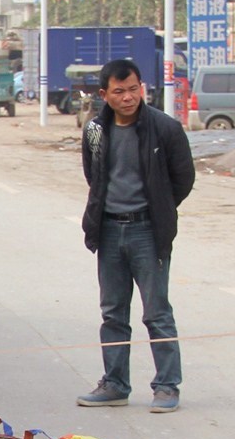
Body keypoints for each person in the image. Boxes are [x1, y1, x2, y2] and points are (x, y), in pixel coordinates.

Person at [77, 59, 195, 413]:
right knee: (113, 312)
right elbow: (93, 175)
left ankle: (167, 386)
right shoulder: (96, 130)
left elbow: (183, 178)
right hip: (110, 229)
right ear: (104, 94)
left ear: (141, 88)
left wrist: (158, 206)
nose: (128, 98)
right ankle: (114, 384)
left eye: (133, 89)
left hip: (148, 230)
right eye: (119, 91)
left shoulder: (165, 128)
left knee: (157, 312)